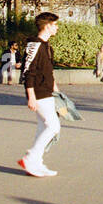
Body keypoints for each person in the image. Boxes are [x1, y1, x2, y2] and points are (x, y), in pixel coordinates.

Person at [18, 12, 61, 177]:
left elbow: (49, 71)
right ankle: (30, 158)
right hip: (38, 92)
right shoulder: (34, 45)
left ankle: (36, 163)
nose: (57, 28)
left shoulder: (47, 46)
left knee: (43, 127)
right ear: (47, 26)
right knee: (53, 126)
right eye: (55, 25)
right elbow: (28, 71)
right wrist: (31, 96)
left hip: (47, 91)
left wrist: (56, 91)